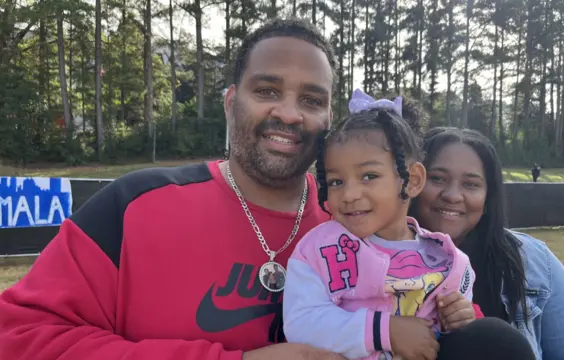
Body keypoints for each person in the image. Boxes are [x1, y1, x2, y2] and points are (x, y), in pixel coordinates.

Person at [0, 18, 347, 360]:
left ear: (330, 116)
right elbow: (18, 339)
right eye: (266, 91)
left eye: (312, 100)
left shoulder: (361, 219)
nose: (289, 114)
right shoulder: (131, 207)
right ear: (230, 103)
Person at [283, 90, 536, 360]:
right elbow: (301, 322)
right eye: (336, 181)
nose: (349, 194)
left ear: (413, 180)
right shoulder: (320, 249)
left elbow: (449, 333)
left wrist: (459, 316)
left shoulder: (446, 258)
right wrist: (384, 330)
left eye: (369, 176)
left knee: (500, 340)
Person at [409, 127, 564, 359]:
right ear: (412, 182)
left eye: (471, 184)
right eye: (437, 179)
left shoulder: (531, 261)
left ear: (488, 198)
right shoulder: (365, 258)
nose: (453, 195)